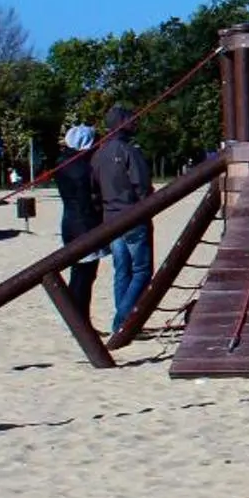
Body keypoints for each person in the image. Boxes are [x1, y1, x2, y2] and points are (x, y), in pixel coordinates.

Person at [91, 103, 153, 334]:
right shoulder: (129, 151)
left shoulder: (98, 154)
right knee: (142, 271)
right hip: (133, 217)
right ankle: (123, 318)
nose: (136, 123)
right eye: (132, 120)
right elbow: (142, 185)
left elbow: (94, 190)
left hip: (111, 219)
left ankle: (124, 321)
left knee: (122, 271)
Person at [53, 123, 105, 325]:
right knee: (84, 276)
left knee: (80, 274)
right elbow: (89, 199)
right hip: (83, 225)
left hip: (70, 223)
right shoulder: (82, 168)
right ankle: (79, 320)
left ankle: (79, 318)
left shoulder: (63, 163)